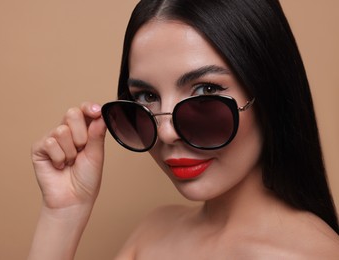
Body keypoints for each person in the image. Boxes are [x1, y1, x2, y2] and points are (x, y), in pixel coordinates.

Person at [28, 0, 339, 259]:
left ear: (271, 93)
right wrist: (63, 214)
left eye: (205, 92)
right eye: (146, 97)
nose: (165, 133)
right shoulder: (154, 230)